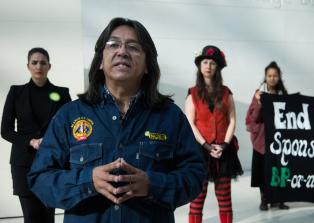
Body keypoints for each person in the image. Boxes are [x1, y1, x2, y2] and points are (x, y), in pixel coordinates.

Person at [27, 18, 206, 223]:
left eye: (133, 46)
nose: (122, 51)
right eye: (113, 45)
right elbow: (39, 178)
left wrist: (152, 184)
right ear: (101, 62)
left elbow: (195, 175)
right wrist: (87, 181)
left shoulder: (170, 117)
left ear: (147, 64)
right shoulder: (69, 115)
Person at [1, 47, 71, 223]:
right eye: (34, 62)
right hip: (23, 164)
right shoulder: (16, 92)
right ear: (28, 66)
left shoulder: (61, 94)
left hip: (52, 162)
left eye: (43, 62)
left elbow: (70, 128)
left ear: (49, 66)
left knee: (48, 215)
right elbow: (5, 130)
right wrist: (30, 141)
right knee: (31, 216)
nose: (39, 66)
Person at [185, 45, 243, 223]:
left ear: (217, 67)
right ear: (200, 66)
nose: (208, 66)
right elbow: (190, 124)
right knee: (197, 197)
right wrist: (206, 146)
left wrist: (224, 145)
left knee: (225, 198)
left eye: (212, 63)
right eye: (205, 62)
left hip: (223, 150)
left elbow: (232, 120)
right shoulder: (192, 93)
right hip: (200, 151)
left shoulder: (226, 93)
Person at [245, 61, 289, 211]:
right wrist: (259, 102)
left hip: (279, 140)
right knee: (263, 172)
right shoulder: (259, 93)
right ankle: (264, 199)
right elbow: (254, 117)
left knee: (279, 170)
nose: (272, 78)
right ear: (265, 77)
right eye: (269, 76)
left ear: (279, 77)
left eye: (275, 76)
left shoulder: (283, 94)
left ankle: (279, 199)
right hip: (262, 141)